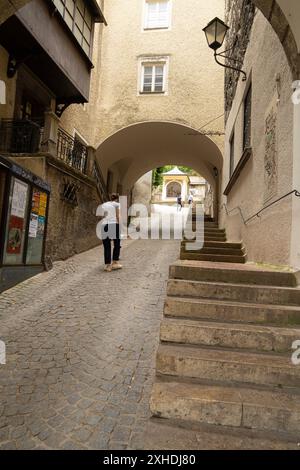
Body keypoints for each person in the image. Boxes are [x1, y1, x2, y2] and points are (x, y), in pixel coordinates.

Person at [101, 193, 122, 272]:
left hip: (104, 225)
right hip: (113, 224)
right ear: (117, 199)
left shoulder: (104, 204)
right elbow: (117, 215)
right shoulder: (117, 204)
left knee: (107, 245)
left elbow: (103, 215)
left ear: (110, 198)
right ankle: (115, 262)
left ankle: (107, 266)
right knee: (117, 243)